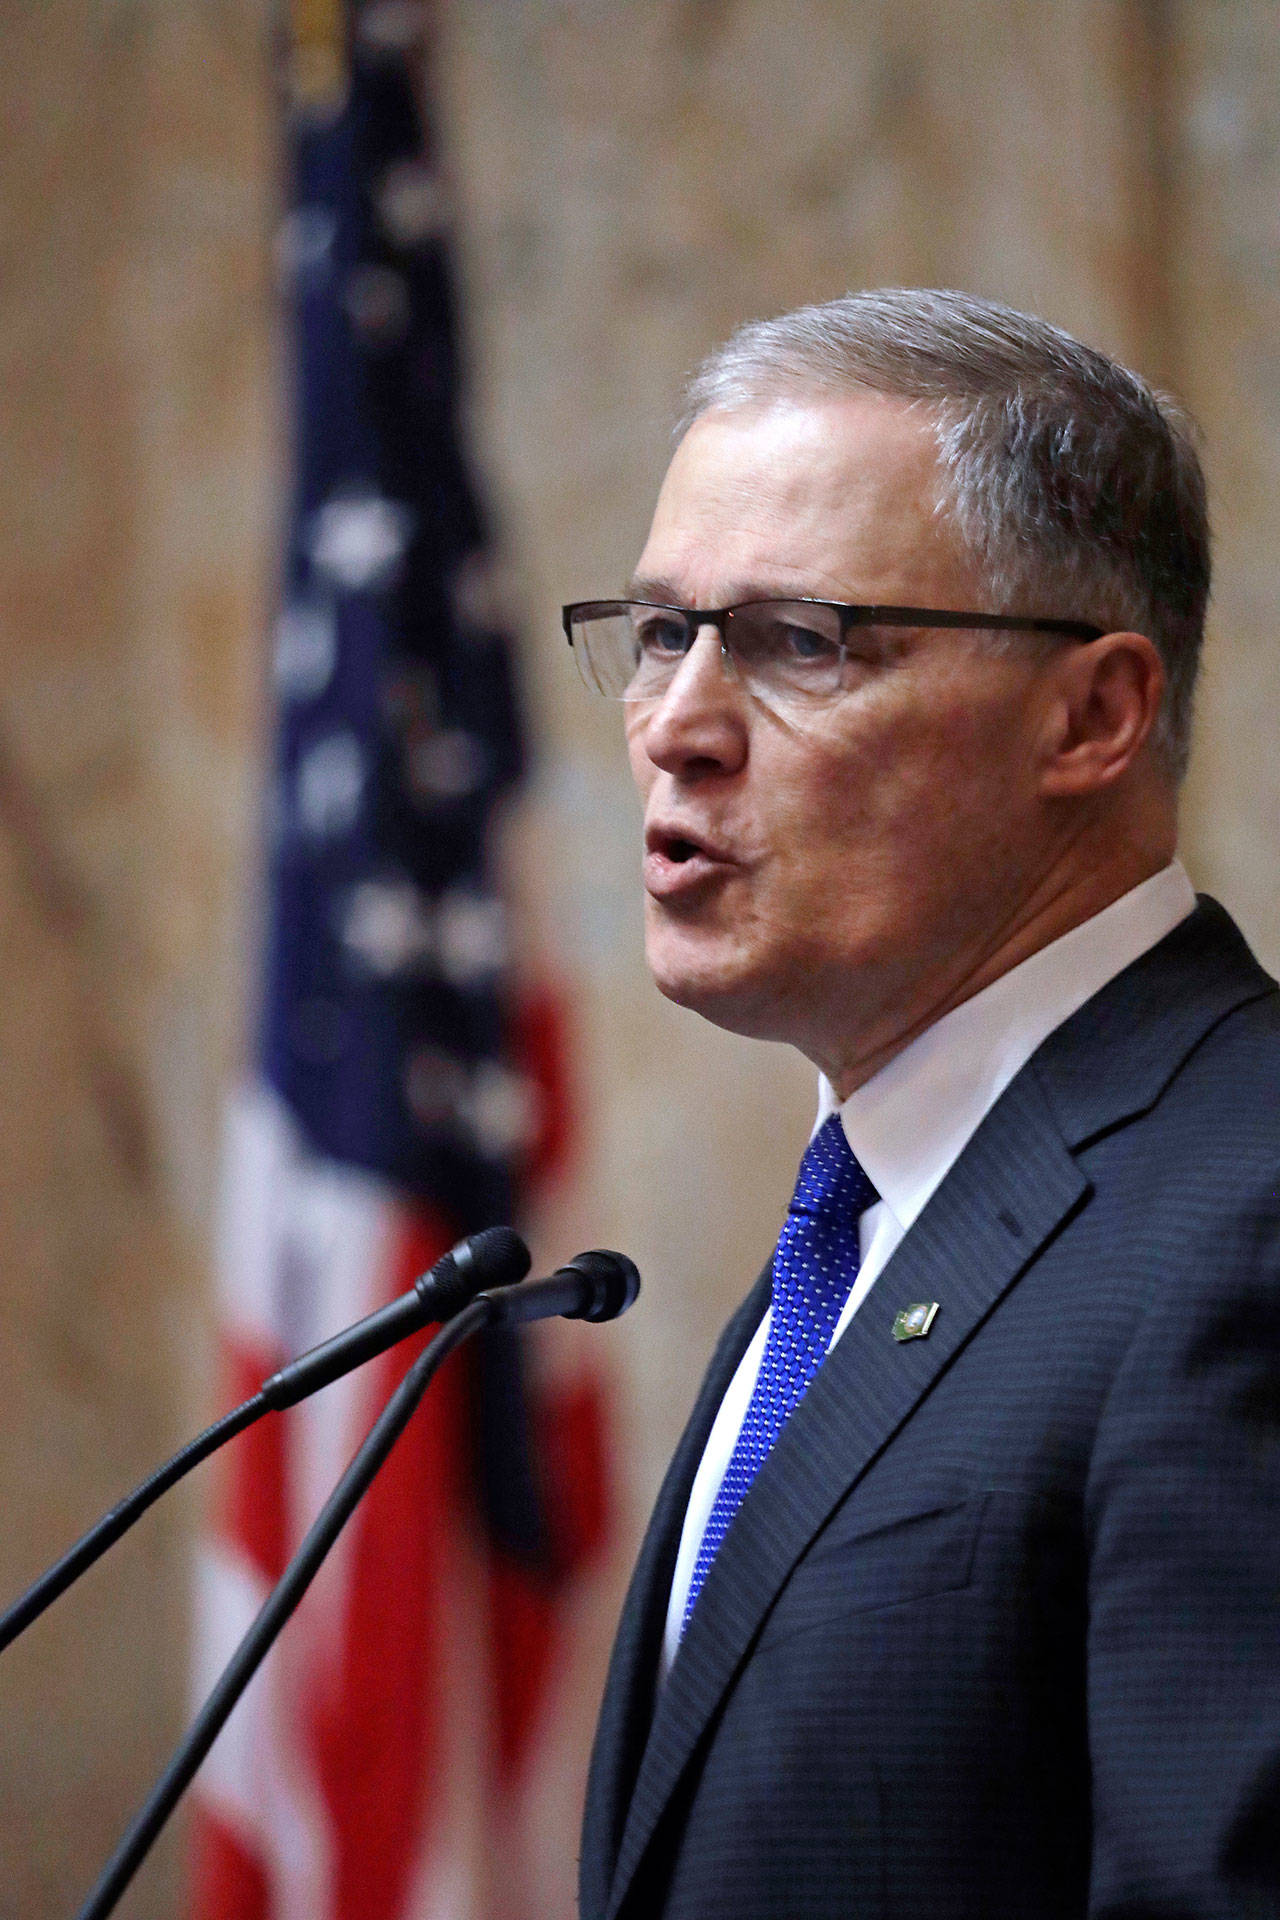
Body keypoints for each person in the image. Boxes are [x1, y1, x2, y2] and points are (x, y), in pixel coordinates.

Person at [566, 289, 1280, 1920]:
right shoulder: (875, 1216)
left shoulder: (1246, 1211)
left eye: (800, 640)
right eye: (662, 630)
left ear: (1091, 715)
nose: (678, 725)